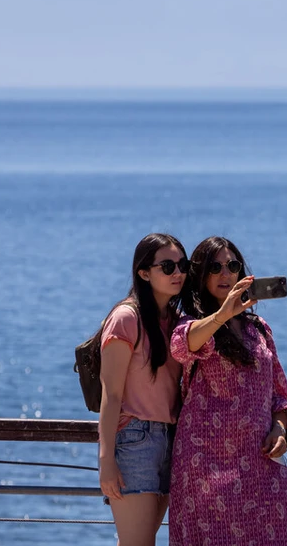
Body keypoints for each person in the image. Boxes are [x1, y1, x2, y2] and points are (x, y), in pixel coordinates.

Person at [169, 236, 287, 545]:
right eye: (214, 267)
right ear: (200, 276)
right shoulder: (191, 323)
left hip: (259, 462)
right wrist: (222, 315)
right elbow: (182, 347)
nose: (225, 274)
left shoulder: (258, 329)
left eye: (231, 265)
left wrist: (280, 428)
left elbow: (279, 394)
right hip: (204, 466)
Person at [97, 233, 187, 546]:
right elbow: (112, 395)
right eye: (167, 266)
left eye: (182, 265)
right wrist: (106, 460)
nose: (177, 273)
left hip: (171, 440)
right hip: (136, 441)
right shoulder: (126, 318)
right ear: (144, 272)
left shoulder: (174, 321)